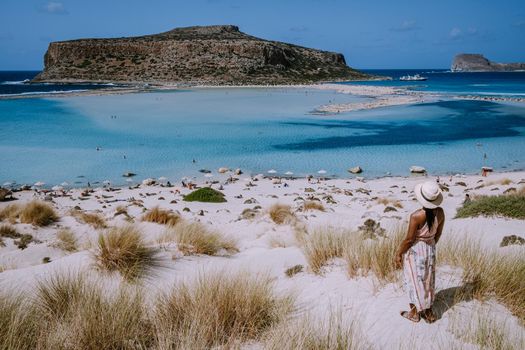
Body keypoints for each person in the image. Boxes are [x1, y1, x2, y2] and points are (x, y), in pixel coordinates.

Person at [395, 181, 445, 323]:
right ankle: (429, 314)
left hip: (416, 250)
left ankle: (415, 313)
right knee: (428, 280)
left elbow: (409, 240)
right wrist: (430, 245)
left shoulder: (416, 216)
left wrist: (398, 253)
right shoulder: (440, 212)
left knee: (413, 281)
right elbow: (438, 234)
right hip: (430, 248)